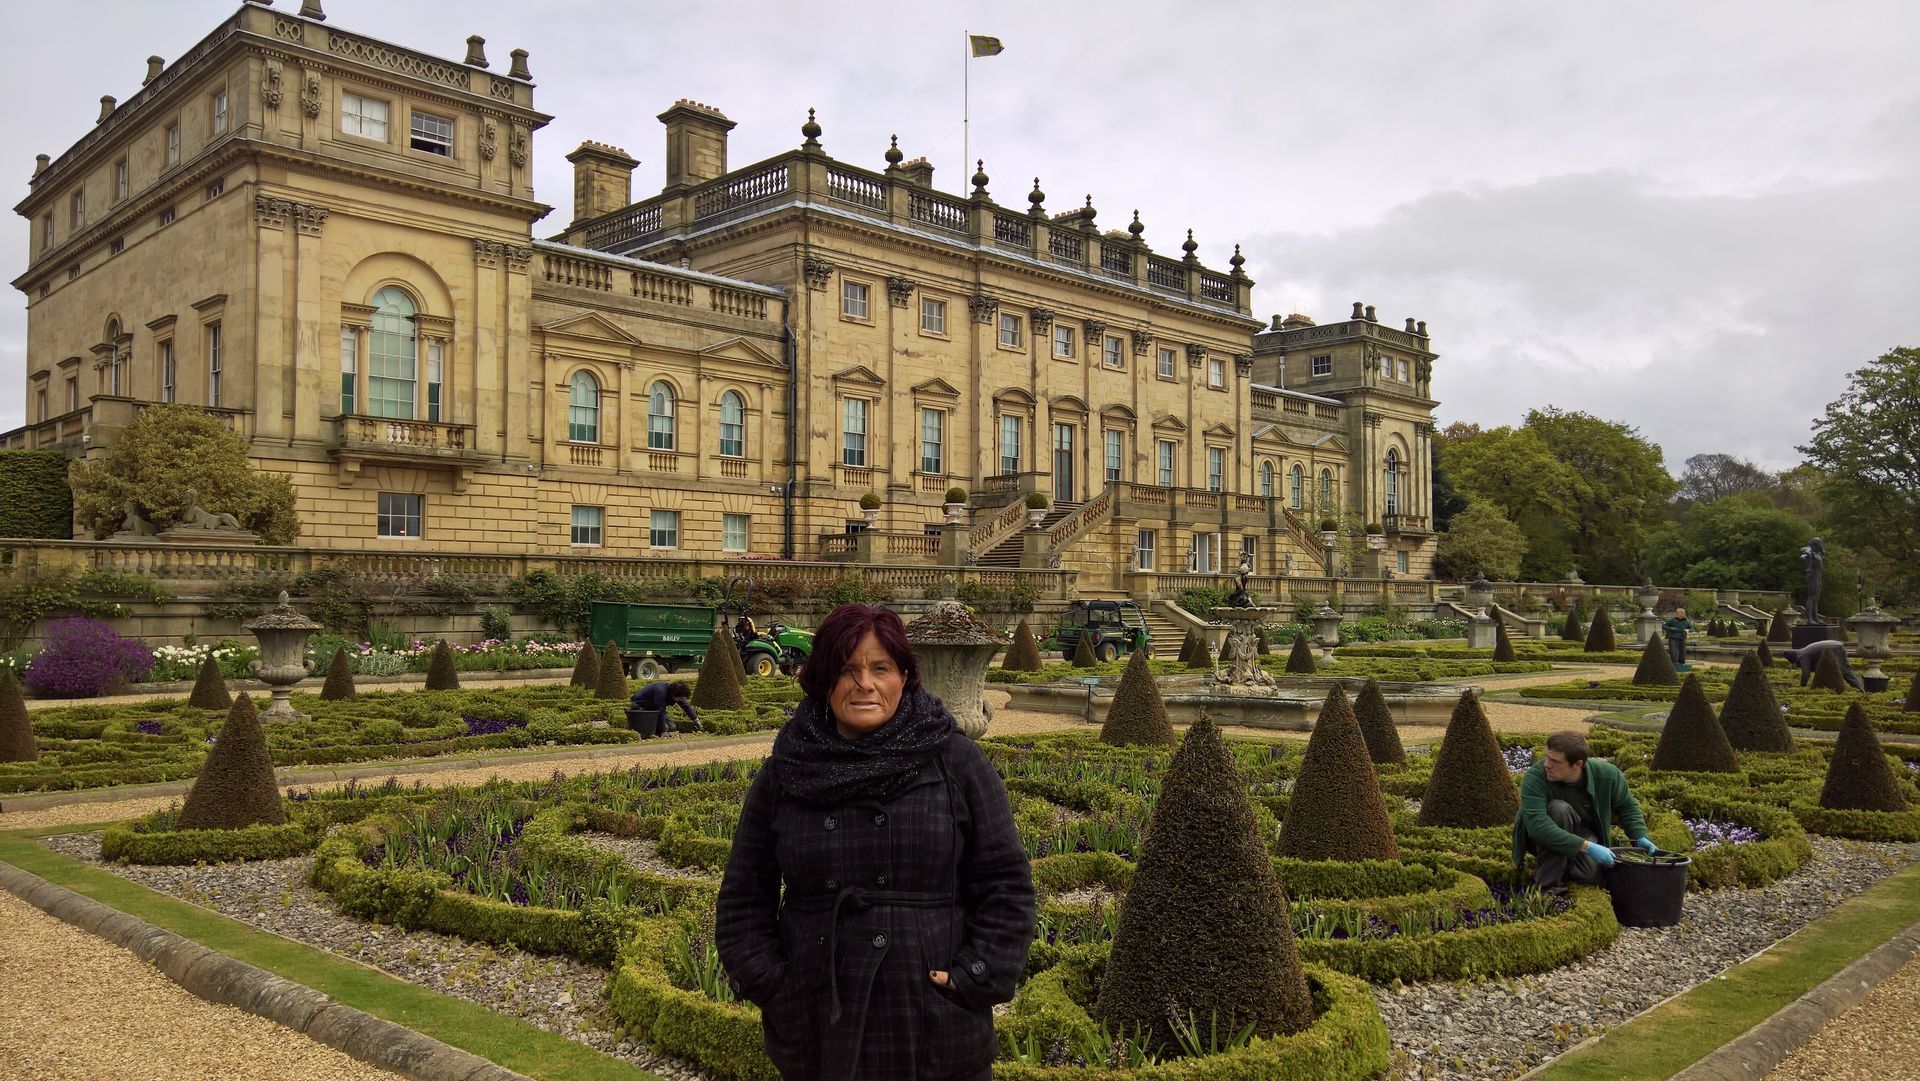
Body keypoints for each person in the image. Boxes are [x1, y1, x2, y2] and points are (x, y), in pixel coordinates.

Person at [717, 604, 1035, 1081]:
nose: (863, 683)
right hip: (819, 1011)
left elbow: (1006, 885)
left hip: (931, 1015)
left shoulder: (956, 762)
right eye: (847, 669)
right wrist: (774, 983)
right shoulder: (786, 770)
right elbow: (744, 893)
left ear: (904, 676)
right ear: (824, 679)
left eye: (879, 668)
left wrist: (975, 976)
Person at [1512, 731, 1655, 891]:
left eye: (1554, 761)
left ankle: (1563, 863)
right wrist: (1588, 847)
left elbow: (1627, 807)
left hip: (1583, 833)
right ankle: (1548, 887)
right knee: (1560, 809)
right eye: (1547, 757)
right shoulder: (1536, 777)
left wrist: (1640, 836)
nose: (1546, 764)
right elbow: (1538, 827)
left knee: (1590, 875)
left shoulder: (1608, 775)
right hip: (1541, 836)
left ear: (1577, 765)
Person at [1783, 640, 1864, 691]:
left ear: (1794, 658)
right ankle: (1858, 687)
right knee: (1841, 670)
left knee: (1845, 670)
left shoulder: (1802, 656)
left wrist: (1802, 686)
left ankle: (1861, 689)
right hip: (1835, 644)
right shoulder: (1803, 651)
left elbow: (1806, 672)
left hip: (1834, 648)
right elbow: (1815, 668)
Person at [629, 679, 699, 734]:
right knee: (665, 728)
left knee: (672, 727)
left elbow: (686, 706)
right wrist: (663, 731)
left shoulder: (675, 691)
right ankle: (653, 732)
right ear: (673, 695)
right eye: (681, 698)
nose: (682, 700)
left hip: (654, 707)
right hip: (642, 706)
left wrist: (696, 720)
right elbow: (661, 711)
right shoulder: (661, 691)